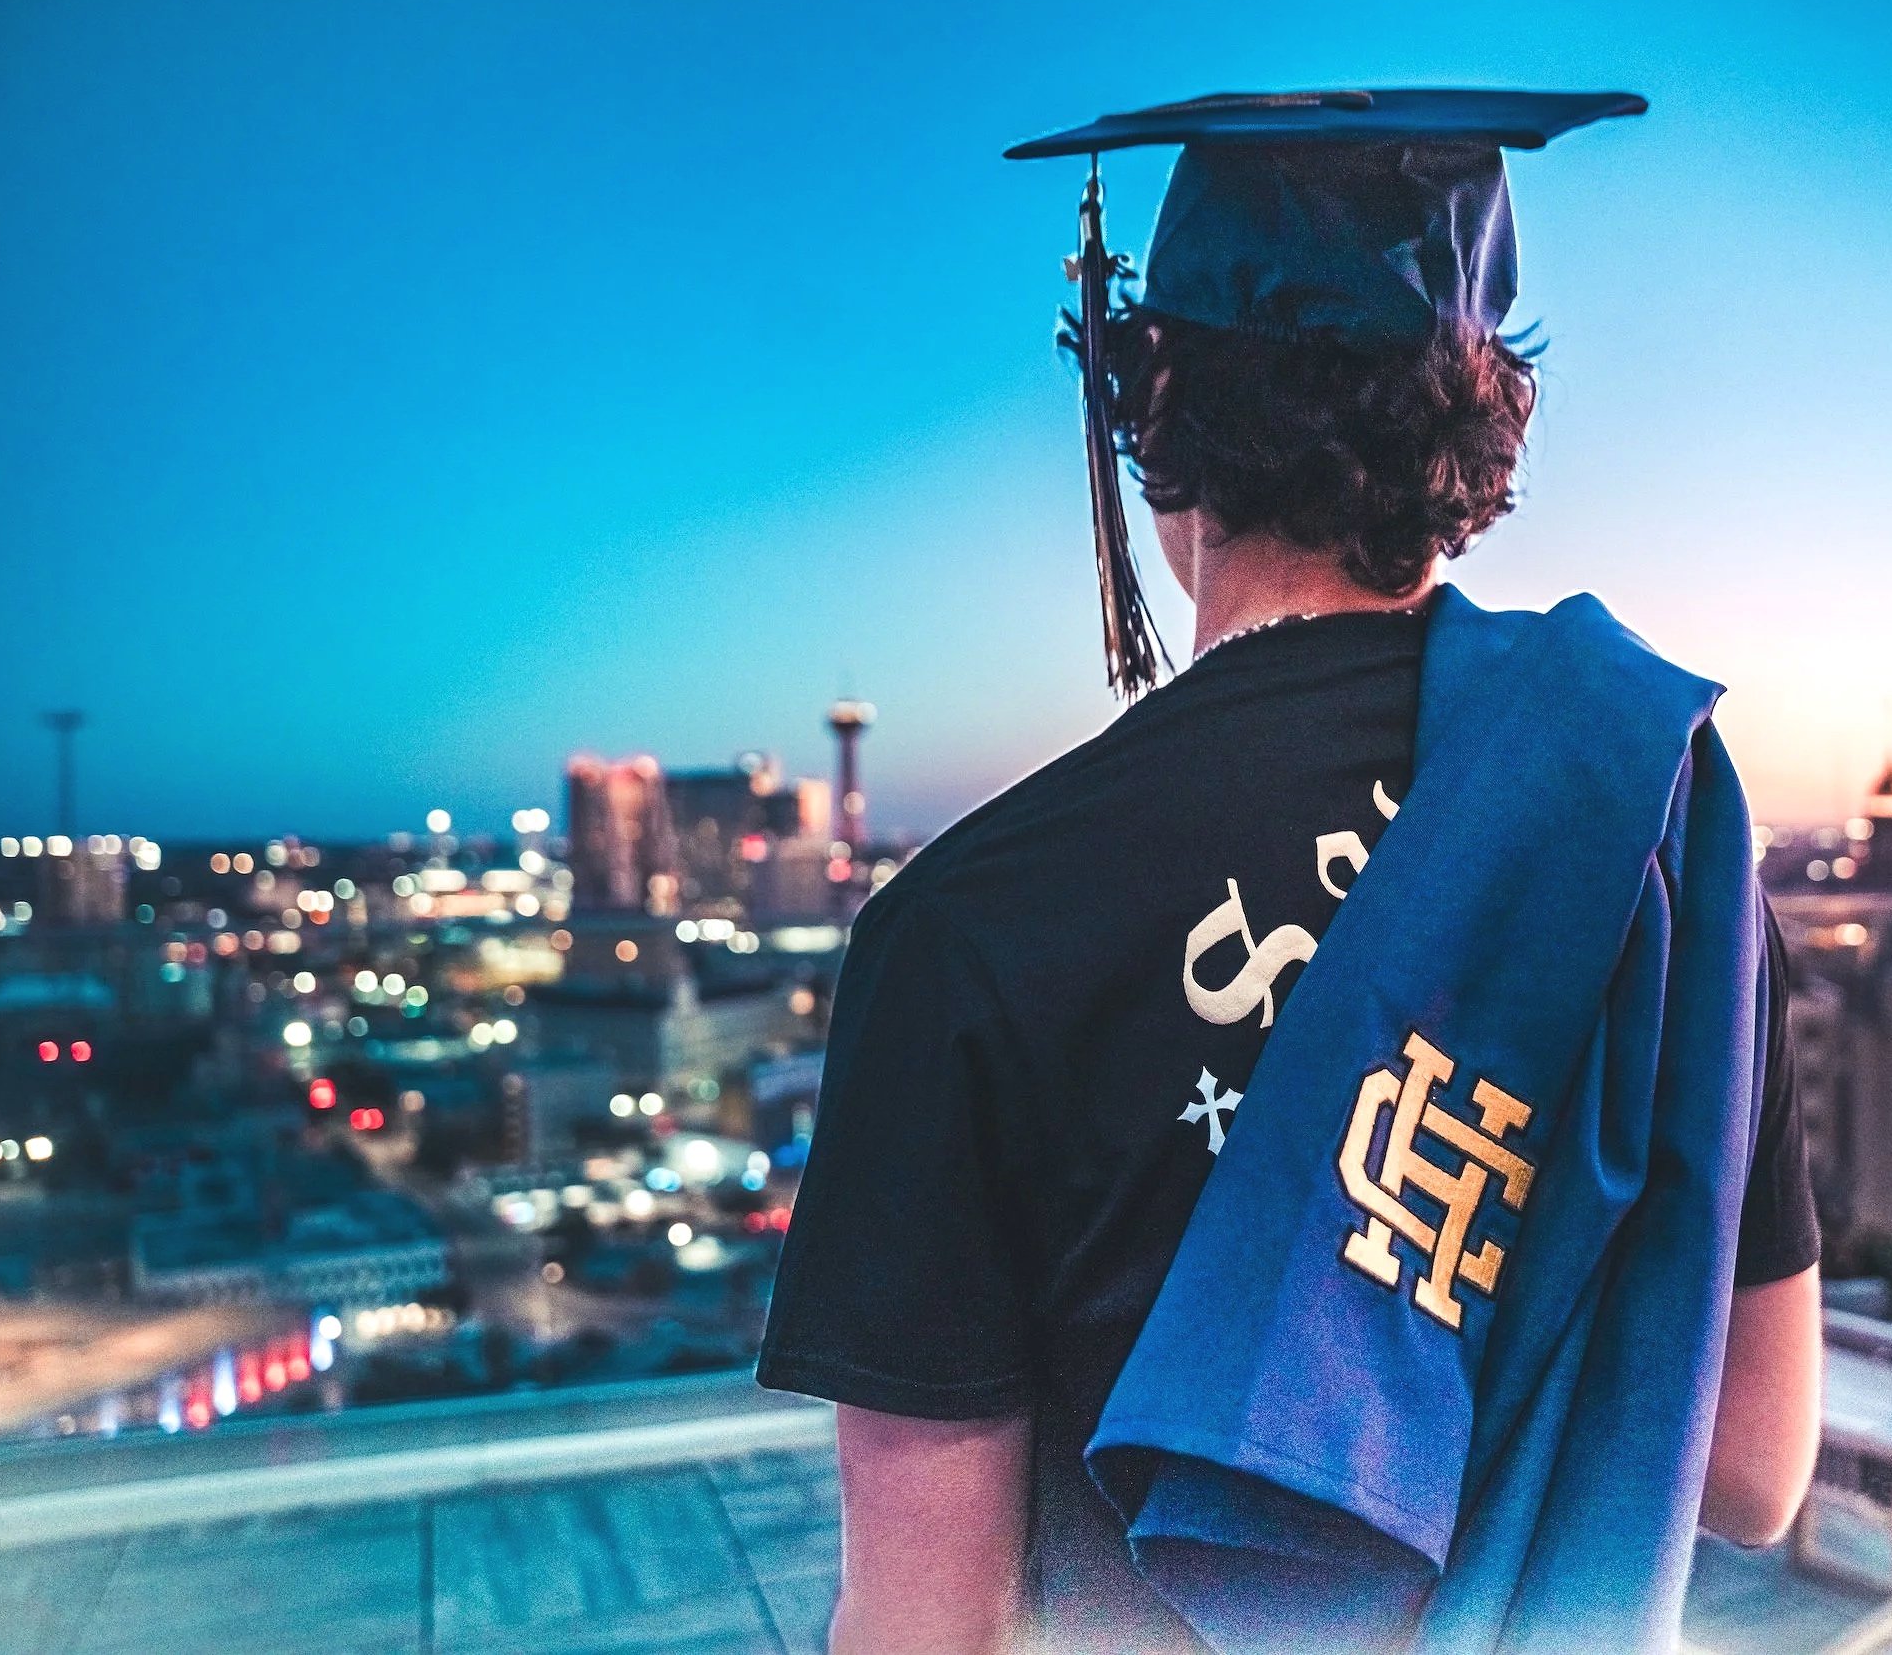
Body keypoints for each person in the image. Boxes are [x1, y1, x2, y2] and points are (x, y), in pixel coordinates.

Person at [759, 89, 1820, 1654]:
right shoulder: (1654, 814)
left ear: (1154, 389)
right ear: (1478, 413)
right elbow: (1752, 1471)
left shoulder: (967, 934)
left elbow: (930, 1627)